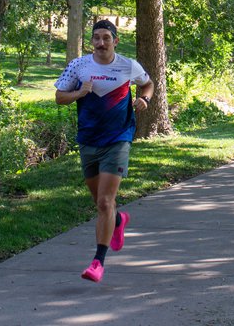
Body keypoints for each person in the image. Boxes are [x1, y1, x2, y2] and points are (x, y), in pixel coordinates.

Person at [55, 19, 154, 283]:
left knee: (104, 202)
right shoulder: (79, 66)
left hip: (118, 138)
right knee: (101, 202)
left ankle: (98, 262)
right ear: (92, 41)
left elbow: (148, 83)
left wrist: (144, 99)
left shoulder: (128, 66)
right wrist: (79, 92)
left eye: (106, 38)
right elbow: (59, 97)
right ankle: (119, 220)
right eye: (96, 38)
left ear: (115, 41)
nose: (101, 43)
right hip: (88, 139)